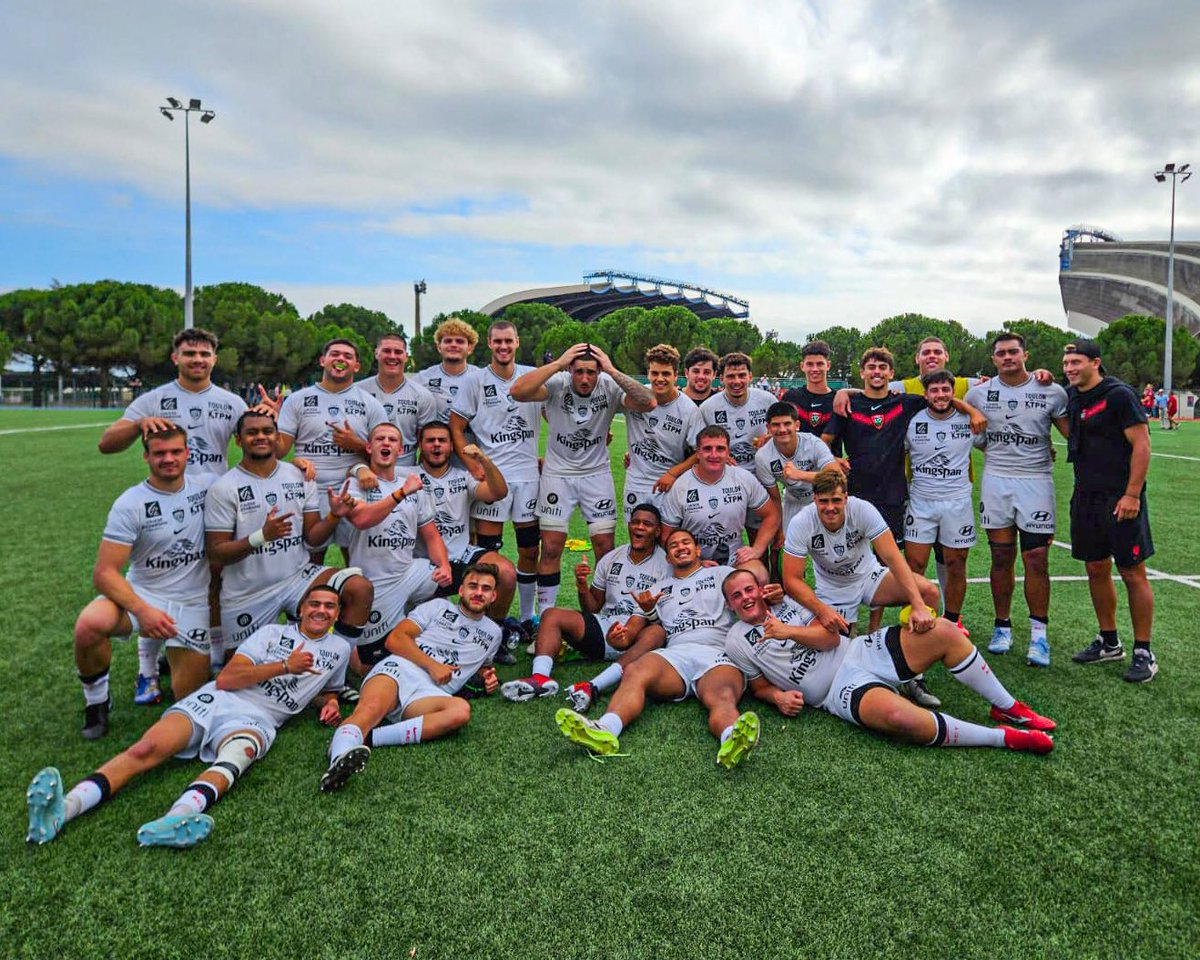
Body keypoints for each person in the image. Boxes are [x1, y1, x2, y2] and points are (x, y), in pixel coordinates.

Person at [27, 583, 349, 847]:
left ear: (337, 614)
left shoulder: (340, 649)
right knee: (145, 749)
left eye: (330, 606)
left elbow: (328, 686)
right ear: (302, 608)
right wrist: (284, 666)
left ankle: (175, 818)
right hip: (218, 699)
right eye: (315, 603)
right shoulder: (271, 633)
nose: (321, 610)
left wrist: (330, 702)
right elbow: (227, 679)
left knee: (237, 756)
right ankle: (61, 811)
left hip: (260, 719)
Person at [722, 570, 1054, 755]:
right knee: (899, 717)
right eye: (736, 596)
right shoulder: (736, 639)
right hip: (837, 690)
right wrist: (778, 697)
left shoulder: (789, 602)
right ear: (730, 605)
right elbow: (758, 685)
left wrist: (785, 631)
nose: (745, 598)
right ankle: (1002, 737)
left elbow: (831, 638)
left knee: (945, 632)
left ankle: (1007, 706)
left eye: (749, 589)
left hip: (859, 651)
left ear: (760, 588)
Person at [98, 327, 249, 688]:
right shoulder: (154, 399)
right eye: (189, 353)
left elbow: (260, 444)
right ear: (175, 358)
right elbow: (106, 444)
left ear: (214, 358)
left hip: (213, 505)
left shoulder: (231, 401)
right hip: (162, 501)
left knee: (214, 579)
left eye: (204, 354)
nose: (197, 359)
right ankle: (146, 670)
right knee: (157, 579)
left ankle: (212, 656)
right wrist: (137, 425)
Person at [553, 529, 759, 769]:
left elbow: (754, 586)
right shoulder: (655, 590)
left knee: (721, 695)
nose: (680, 547)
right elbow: (627, 635)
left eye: (686, 542)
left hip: (718, 651)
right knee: (635, 671)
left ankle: (731, 739)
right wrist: (617, 636)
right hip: (676, 654)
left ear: (698, 550)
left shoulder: (722, 574)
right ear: (668, 558)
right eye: (673, 546)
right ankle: (606, 729)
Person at [205, 411, 373, 671]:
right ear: (238, 440)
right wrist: (261, 537)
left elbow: (312, 536)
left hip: (298, 578)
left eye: (267, 431)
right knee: (244, 671)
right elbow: (217, 553)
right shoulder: (224, 488)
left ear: (277, 437)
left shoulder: (299, 476)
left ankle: (331, 670)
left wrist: (334, 516)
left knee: (359, 588)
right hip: (249, 591)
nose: (261, 437)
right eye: (252, 432)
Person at [74, 426, 211, 739]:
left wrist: (301, 466)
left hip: (192, 602)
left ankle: (164, 663)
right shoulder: (131, 502)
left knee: (191, 703)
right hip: (144, 594)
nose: (168, 459)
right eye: (159, 453)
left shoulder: (207, 486)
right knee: (89, 625)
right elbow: (104, 573)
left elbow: (252, 471)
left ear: (188, 453)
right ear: (146, 456)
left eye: (176, 451)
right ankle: (96, 702)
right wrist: (142, 610)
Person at [318, 564, 502, 793]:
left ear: (493, 596)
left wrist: (487, 677)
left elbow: (484, 666)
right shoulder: (437, 607)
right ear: (461, 590)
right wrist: (432, 665)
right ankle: (338, 759)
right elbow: (395, 639)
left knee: (460, 711)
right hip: (401, 668)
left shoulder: (494, 632)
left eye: (486, 589)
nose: (478, 593)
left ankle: (369, 738)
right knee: (370, 710)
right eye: (472, 586)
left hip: (431, 693)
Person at [510, 342, 655, 614]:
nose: (585, 378)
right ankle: (545, 617)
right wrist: (556, 364)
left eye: (591, 372)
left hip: (596, 475)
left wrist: (612, 369)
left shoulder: (609, 385)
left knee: (604, 547)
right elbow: (517, 391)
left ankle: (603, 613)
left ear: (599, 371)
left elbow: (648, 402)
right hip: (558, 475)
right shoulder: (558, 382)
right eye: (578, 372)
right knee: (551, 548)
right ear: (570, 369)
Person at [964, 333, 1069, 666]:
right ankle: (1002, 626)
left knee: (1037, 559)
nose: (1007, 357)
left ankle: (1039, 635)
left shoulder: (1051, 391)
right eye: (1001, 353)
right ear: (993, 359)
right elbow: (976, 437)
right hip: (996, 481)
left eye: (1013, 352)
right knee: (1001, 557)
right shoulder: (977, 394)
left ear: (1025, 354)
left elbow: (1072, 434)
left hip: (1037, 481)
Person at [501, 503, 671, 706]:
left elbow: (649, 618)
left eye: (647, 524)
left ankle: (594, 686)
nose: (639, 527)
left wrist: (623, 637)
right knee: (551, 615)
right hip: (607, 627)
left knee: (656, 634)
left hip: (639, 637)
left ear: (658, 530)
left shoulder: (666, 565)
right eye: (635, 522)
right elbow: (592, 608)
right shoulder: (611, 558)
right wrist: (582, 587)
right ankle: (540, 679)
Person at [1062, 341, 1157, 683]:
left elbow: (1142, 444)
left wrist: (1132, 494)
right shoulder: (1073, 395)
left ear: (1096, 362)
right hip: (1086, 496)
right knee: (1095, 567)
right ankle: (1109, 640)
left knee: (1132, 572)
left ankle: (1144, 650)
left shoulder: (1118, 395)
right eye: (1066, 363)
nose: (1069, 368)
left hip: (1120, 498)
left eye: (1076, 362)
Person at [449, 319, 543, 630]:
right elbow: (456, 427)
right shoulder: (474, 381)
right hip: (492, 480)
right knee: (489, 557)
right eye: (498, 341)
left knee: (530, 549)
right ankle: (485, 622)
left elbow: (558, 412)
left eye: (509, 341)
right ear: (489, 344)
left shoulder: (531, 376)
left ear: (518, 343)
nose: (503, 347)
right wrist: (473, 463)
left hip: (529, 478)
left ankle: (528, 618)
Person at [781, 467, 941, 640]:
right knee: (833, 642)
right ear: (814, 499)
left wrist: (917, 604)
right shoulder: (801, 522)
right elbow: (791, 579)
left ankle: (910, 656)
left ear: (845, 498)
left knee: (928, 593)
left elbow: (893, 558)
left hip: (868, 576)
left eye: (836, 500)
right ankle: (847, 634)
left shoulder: (862, 510)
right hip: (832, 588)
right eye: (823, 501)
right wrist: (822, 610)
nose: (830, 508)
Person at [341, 422, 452, 666]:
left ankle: (462, 638)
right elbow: (361, 519)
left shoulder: (412, 486)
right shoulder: (355, 485)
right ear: (369, 448)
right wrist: (401, 493)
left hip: (410, 572)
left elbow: (431, 535)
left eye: (392, 440)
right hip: (375, 584)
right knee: (368, 665)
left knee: (476, 579)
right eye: (380, 439)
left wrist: (444, 565)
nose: (386, 443)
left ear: (400, 451)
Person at [274, 338, 388, 562]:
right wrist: (269, 425)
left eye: (347, 356)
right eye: (335, 354)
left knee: (355, 560)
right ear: (322, 360)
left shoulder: (370, 404)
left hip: (354, 489)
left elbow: (384, 456)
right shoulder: (298, 400)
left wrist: (355, 444)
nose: (340, 359)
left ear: (356, 366)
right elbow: (278, 452)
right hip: (309, 489)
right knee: (310, 557)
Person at [413, 422, 518, 625]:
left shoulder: (463, 477)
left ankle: (493, 632)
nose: (436, 445)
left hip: (461, 555)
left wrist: (483, 460)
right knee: (426, 625)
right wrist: (358, 469)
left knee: (505, 572)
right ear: (419, 445)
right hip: (423, 561)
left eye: (442, 440)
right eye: (430, 441)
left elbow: (498, 492)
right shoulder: (405, 475)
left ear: (451, 446)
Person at [902, 370, 977, 634]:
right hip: (921, 502)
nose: (940, 395)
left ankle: (953, 620)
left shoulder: (969, 421)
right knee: (915, 565)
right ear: (925, 394)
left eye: (946, 390)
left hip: (957, 503)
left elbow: (991, 444)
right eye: (934, 390)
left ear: (953, 392)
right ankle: (917, 614)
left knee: (956, 564)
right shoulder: (913, 422)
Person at [659, 425, 778, 583]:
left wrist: (756, 550)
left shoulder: (743, 478)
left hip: (734, 560)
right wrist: (695, 563)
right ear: (698, 453)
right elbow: (666, 537)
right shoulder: (681, 487)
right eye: (707, 449)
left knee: (759, 575)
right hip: (694, 563)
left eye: (720, 449)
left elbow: (771, 515)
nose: (714, 455)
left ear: (728, 452)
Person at [622, 344, 703, 521]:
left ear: (676, 376)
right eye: (655, 373)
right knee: (638, 539)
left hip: (669, 485)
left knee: (668, 541)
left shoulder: (689, 409)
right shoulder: (636, 395)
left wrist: (673, 473)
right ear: (648, 373)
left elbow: (701, 451)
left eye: (666, 374)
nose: (660, 379)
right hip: (635, 484)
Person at [753, 401, 839, 535]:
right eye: (776, 425)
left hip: (822, 498)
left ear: (797, 425)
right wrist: (779, 528)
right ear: (768, 428)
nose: (782, 429)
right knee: (790, 545)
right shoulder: (763, 456)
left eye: (787, 423)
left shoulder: (813, 443)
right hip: (792, 500)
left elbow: (836, 477)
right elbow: (775, 498)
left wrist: (798, 474)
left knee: (828, 546)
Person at [357, 331, 438, 466]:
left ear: (406, 356)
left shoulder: (422, 395)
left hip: (405, 473)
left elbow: (426, 445)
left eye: (398, 352)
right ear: (376, 353)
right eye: (387, 351)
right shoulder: (358, 392)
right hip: (365, 471)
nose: (392, 356)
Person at [697, 352, 778, 468]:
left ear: (750, 376)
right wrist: (715, 454)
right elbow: (697, 446)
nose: (736, 381)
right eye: (730, 376)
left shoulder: (768, 400)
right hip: (725, 473)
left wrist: (771, 437)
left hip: (762, 470)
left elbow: (785, 431)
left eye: (741, 375)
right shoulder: (707, 408)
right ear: (721, 379)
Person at [411, 317, 481, 423]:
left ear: (470, 348)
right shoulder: (422, 379)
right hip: (436, 438)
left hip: (471, 439)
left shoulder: (482, 378)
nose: (453, 345)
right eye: (448, 341)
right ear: (439, 347)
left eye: (459, 341)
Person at [781, 340, 839, 441]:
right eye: (810, 364)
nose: (815, 369)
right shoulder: (790, 398)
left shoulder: (839, 400)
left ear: (828, 365)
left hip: (831, 457)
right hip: (797, 457)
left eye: (820, 364)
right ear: (802, 366)